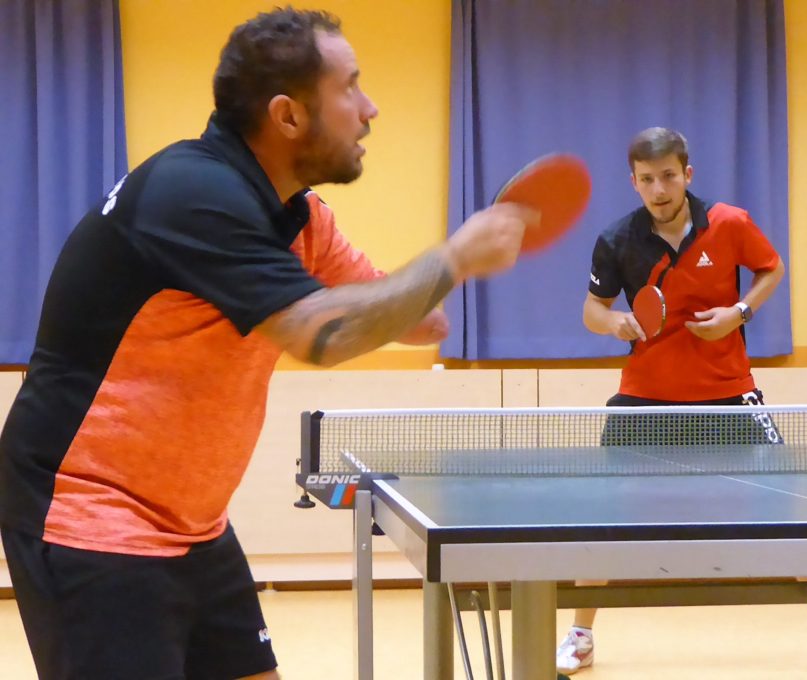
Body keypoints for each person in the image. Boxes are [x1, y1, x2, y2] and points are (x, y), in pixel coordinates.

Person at [0, 8, 533, 680]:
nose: (370, 108)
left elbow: (416, 323)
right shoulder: (192, 194)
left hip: (194, 523)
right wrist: (453, 258)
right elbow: (325, 334)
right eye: (350, 87)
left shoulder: (299, 215)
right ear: (288, 116)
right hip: (92, 517)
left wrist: (456, 264)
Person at [555, 127, 807, 678]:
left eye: (669, 176)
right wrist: (614, 322)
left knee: (790, 515)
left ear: (687, 174)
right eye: (647, 179)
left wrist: (739, 313)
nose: (659, 189)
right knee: (606, 520)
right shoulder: (617, 239)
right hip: (644, 397)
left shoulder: (729, 223)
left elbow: (771, 268)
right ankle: (581, 635)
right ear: (633, 181)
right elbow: (592, 309)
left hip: (730, 394)